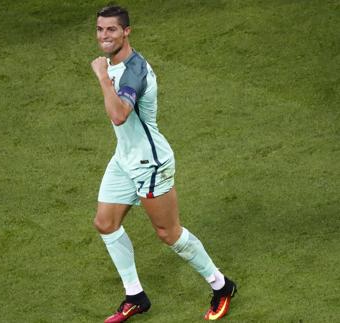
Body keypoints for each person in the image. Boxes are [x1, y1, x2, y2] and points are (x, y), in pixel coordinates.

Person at [90, 5, 237, 322]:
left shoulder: (134, 70)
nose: (104, 35)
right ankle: (135, 296)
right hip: (124, 158)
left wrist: (102, 76)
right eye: (100, 29)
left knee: (168, 233)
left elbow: (119, 115)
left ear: (126, 31)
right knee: (105, 223)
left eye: (111, 29)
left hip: (150, 163)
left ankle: (221, 285)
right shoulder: (116, 63)